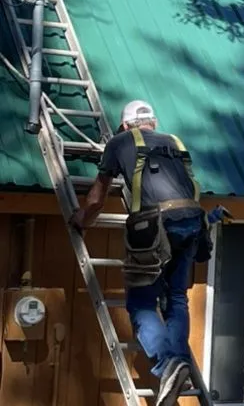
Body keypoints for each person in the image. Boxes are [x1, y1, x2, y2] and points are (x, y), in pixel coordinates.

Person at [72, 100, 206, 406]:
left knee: (142, 302)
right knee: (175, 298)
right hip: (191, 222)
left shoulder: (119, 143)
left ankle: (166, 362)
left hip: (154, 226)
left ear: (124, 125)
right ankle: (178, 361)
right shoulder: (175, 143)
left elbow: (97, 198)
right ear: (152, 123)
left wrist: (81, 219)